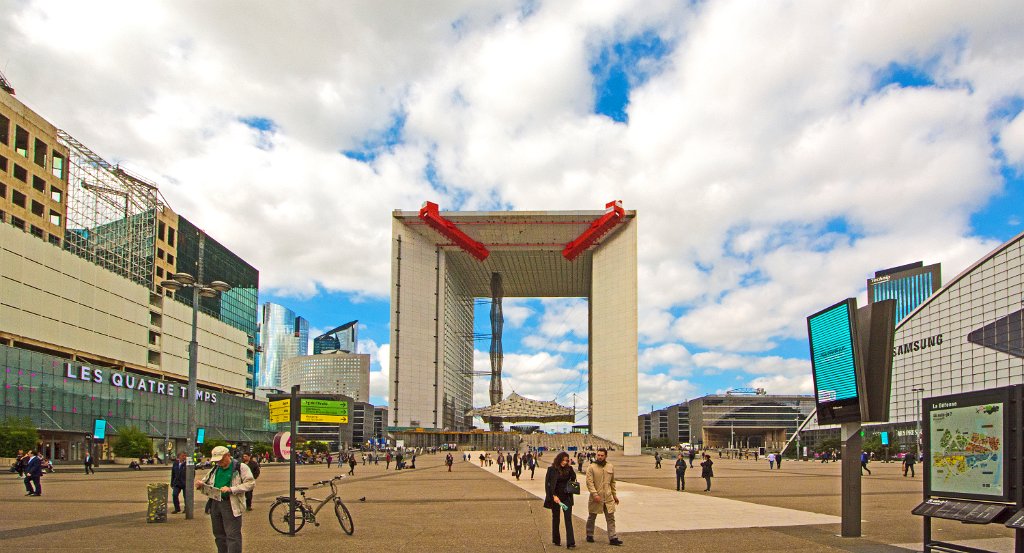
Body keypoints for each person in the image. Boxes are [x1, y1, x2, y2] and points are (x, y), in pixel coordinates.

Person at [196, 446, 255, 553]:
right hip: (215, 503)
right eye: (216, 460)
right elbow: (207, 481)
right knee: (218, 534)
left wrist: (231, 489)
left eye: (221, 459)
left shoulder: (240, 467)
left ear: (228, 455)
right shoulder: (215, 468)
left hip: (230, 503)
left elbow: (250, 484)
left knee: (232, 535)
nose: (219, 462)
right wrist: (201, 484)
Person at [585, 448, 622, 546]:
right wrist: (595, 494)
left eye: (602, 455)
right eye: (598, 455)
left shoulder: (610, 466)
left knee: (611, 518)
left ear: (606, 456)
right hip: (596, 497)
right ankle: (589, 534)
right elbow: (589, 482)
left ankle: (613, 537)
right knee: (592, 516)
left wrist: (614, 495)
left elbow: (612, 482)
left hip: (608, 497)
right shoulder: (591, 467)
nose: (600, 457)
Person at [543, 452, 577, 549]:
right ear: (559, 459)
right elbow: (548, 485)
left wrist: (570, 467)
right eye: (563, 460)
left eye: (566, 460)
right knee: (556, 518)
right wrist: (553, 496)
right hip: (556, 498)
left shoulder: (569, 469)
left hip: (566, 497)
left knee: (568, 518)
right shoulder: (552, 469)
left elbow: (573, 478)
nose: (564, 462)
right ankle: (556, 539)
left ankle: (570, 542)